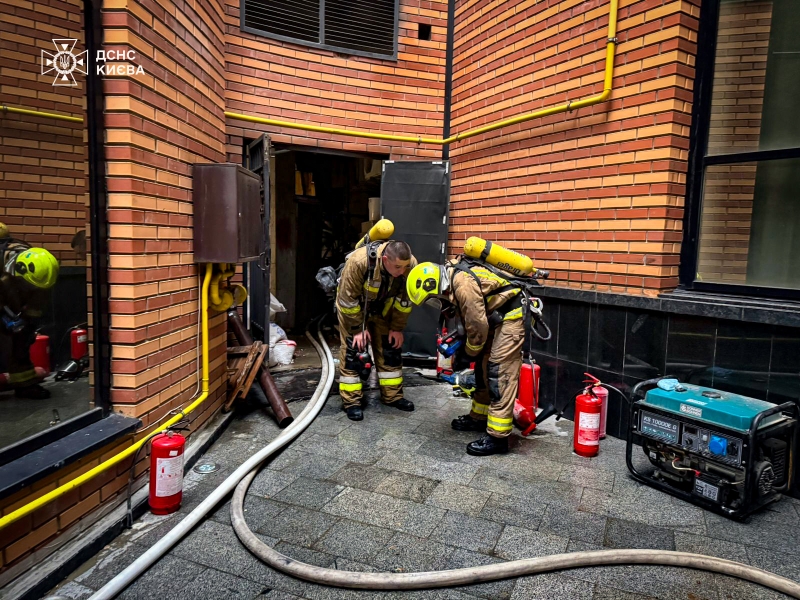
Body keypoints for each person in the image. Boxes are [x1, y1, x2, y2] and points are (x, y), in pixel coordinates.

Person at [406, 261, 524, 455]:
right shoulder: (453, 280)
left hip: (511, 319)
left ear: (432, 284)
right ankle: (479, 417)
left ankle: (498, 438)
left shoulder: (463, 285)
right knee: (483, 367)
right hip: (495, 318)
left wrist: (467, 354)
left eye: (432, 298)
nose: (437, 302)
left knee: (499, 372)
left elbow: (477, 330)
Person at [336, 239, 417, 421]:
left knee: (390, 349)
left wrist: (396, 328)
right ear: (385, 259)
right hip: (354, 309)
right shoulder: (359, 262)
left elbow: (405, 301)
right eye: (397, 267)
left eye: (405, 267)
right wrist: (357, 329)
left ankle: (393, 396)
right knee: (354, 351)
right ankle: (352, 402)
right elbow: (346, 300)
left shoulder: (410, 264)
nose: (402, 271)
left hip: (383, 309)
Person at [0, 225, 59, 399]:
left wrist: (28, 326)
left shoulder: (39, 267)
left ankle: (25, 385)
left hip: (10, 299)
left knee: (21, 340)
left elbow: (37, 301)